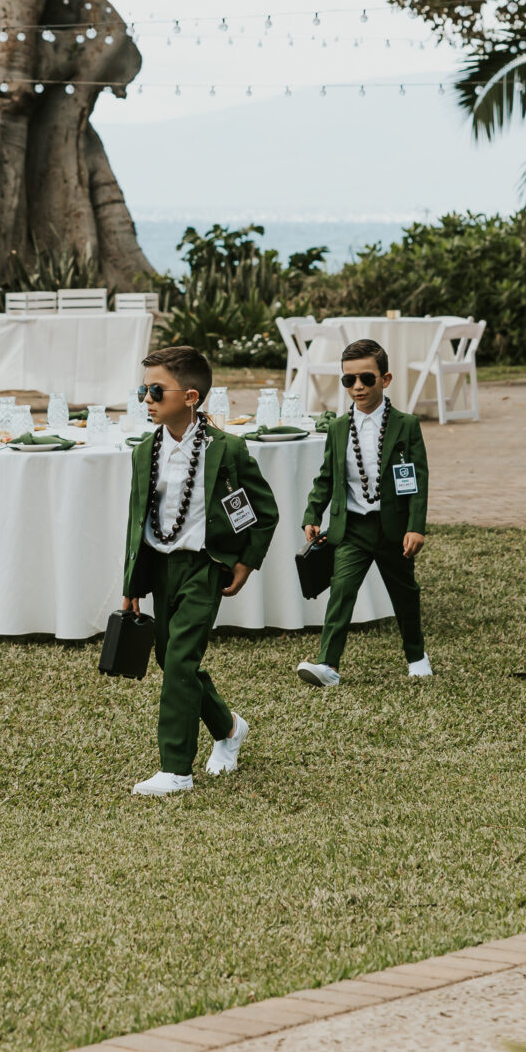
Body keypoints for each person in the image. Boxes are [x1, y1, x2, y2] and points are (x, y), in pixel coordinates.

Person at [121, 344, 279, 799]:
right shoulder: (143, 450)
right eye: (142, 389)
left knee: (180, 661)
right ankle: (228, 727)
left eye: (156, 390)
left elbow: (262, 512)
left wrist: (246, 562)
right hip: (160, 567)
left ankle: (175, 768)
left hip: (205, 567)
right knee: (170, 658)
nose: (146, 398)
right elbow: (138, 522)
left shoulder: (226, 450)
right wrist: (131, 584)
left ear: (191, 397)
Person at [296, 337, 430, 688]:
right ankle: (328, 664)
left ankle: (416, 655)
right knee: (341, 591)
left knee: (404, 593)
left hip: (392, 528)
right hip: (352, 528)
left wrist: (415, 526)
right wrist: (313, 513)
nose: (357, 386)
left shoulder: (406, 425)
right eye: (348, 380)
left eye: (366, 379)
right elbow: (326, 477)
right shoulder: (339, 428)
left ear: (385, 380)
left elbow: (415, 480)